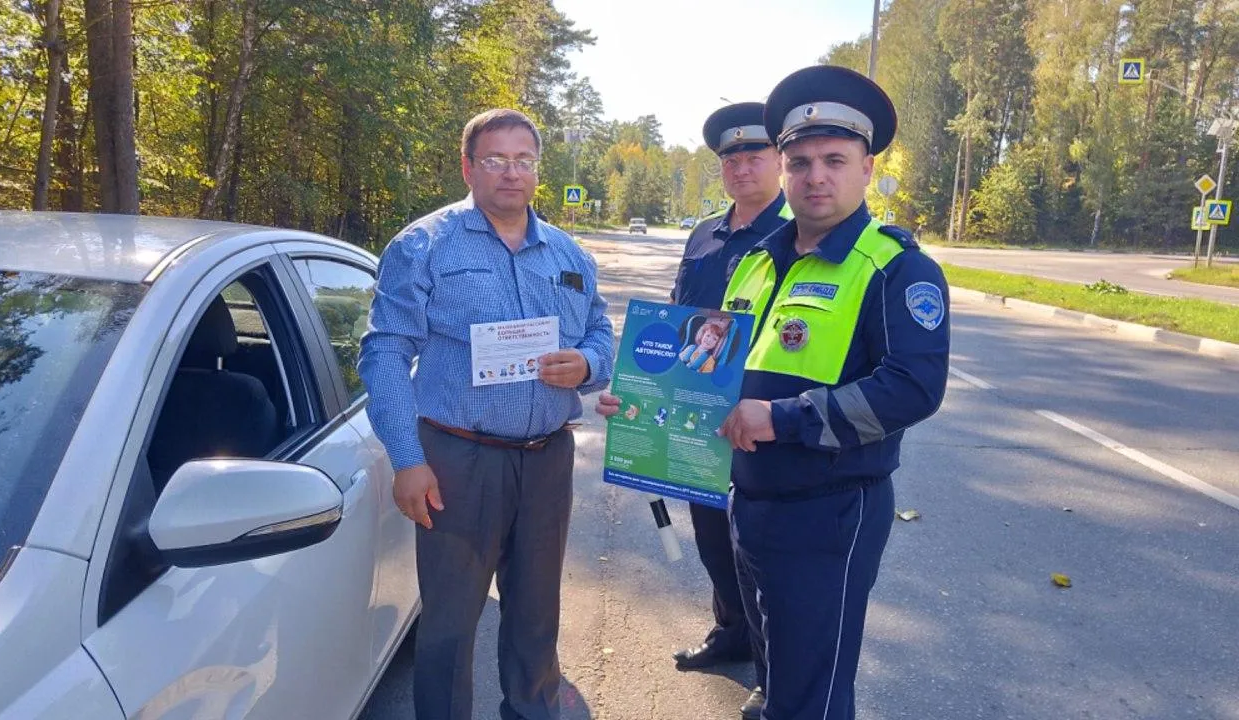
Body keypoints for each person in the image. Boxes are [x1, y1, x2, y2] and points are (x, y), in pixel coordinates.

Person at [358, 108, 615, 720]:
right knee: (449, 622)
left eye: (523, 160)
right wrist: (408, 459)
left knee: (535, 613)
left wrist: (586, 364)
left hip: (548, 458)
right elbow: (386, 350)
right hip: (457, 460)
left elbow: (602, 330)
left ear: (537, 170)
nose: (510, 173)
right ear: (469, 166)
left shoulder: (567, 252)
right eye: (495, 160)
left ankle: (532, 711)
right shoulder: (424, 246)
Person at [715, 66, 950, 719]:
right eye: (800, 161)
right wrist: (656, 404)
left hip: (829, 513)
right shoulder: (758, 260)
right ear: (784, 170)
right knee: (777, 680)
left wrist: (783, 420)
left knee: (811, 697)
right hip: (751, 503)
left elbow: (914, 386)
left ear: (867, 168)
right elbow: (717, 366)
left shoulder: (897, 267)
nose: (816, 175)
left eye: (834, 160)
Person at [598, 101, 788, 720]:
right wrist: (642, 394)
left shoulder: (798, 231)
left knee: (759, 553)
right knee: (711, 540)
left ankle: (773, 674)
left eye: (753, 153)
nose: (740, 165)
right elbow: (681, 321)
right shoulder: (705, 232)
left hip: (765, 422)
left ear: (780, 159)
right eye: (730, 157)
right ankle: (730, 634)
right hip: (699, 419)